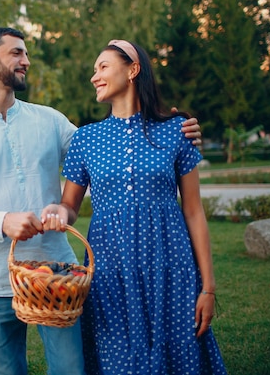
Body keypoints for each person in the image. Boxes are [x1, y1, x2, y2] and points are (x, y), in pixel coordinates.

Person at [0, 28, 202, 375]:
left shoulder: (50, 121)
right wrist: (2, 221)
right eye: (16, 53)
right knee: (7, 371)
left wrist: (171, 131)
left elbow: (113, 149)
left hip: (60, 277)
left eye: (25, 54)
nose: (26, 61)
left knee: (71, 370)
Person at [41, 39, 227, 374]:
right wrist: (58, 213)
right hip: (110, 270)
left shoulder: (176, 131)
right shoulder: (86, 138)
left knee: (178, 355)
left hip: (170, 268)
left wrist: (208, 287)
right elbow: (70, 205)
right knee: (118, 358)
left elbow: (194, 212)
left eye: (103, 67)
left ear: (133, 70)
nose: (94, 76)